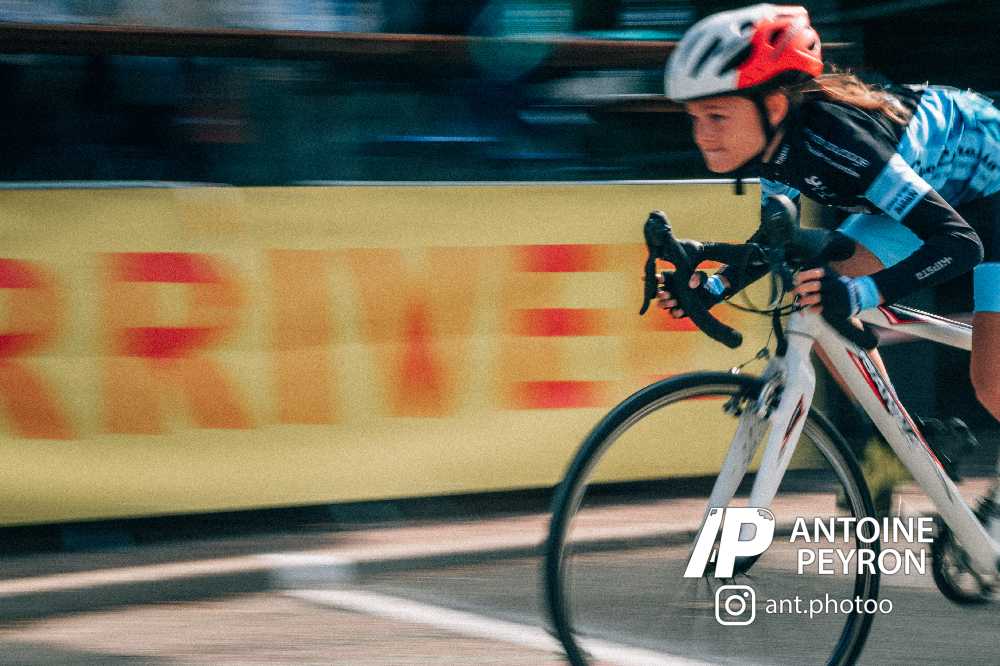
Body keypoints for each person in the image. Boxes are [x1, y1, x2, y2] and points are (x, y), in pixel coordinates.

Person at [656, 3, 1000, 431]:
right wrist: (713, 287)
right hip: (932, 192)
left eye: (717, 116)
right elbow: (774, 240)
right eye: (695, 118)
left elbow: (961, 244)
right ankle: (899, 439)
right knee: (820, 294)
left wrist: (859, 295)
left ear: (774, 107)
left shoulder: (843, 146)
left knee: (992, 384)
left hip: (990, 192)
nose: (703, 136)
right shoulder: (774, 149)